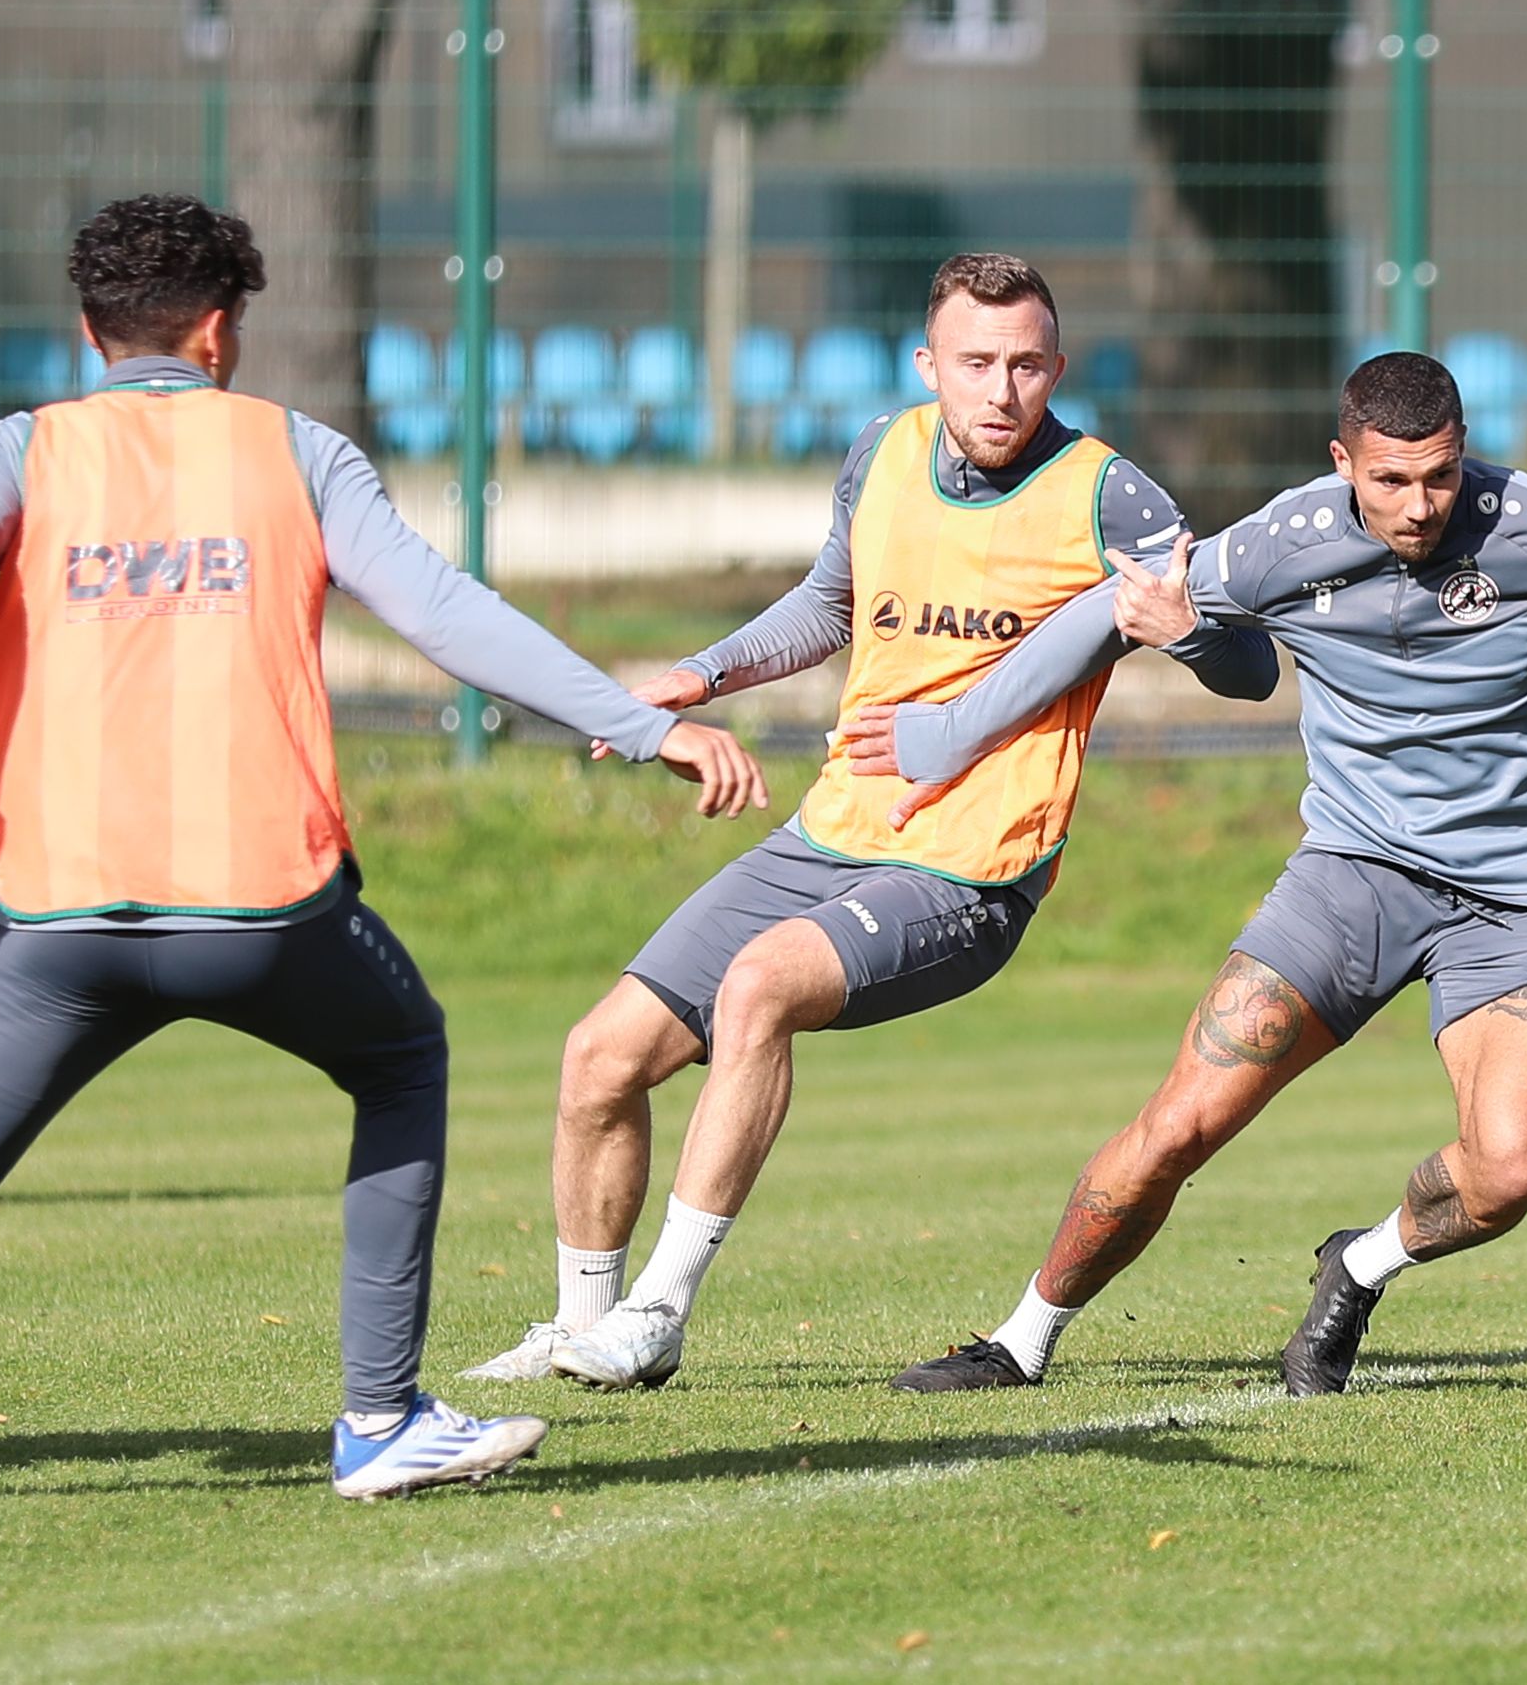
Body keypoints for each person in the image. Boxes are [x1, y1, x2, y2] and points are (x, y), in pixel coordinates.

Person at [0, 193, 766, 1516]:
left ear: (87, 328)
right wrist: (639, 727)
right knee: (400, 1058)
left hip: (56, 916)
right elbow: (444, 614)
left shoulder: (22, 450)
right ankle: (378, 1416)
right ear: (222, 330)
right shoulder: (297, 455)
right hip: (261, 909)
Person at [856, 350, 1527, 1396]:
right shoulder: (1283, 543)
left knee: (1514, 1164)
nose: (1419, 505)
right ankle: (1020, 1339)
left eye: (1440, 475)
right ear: (1341, 460)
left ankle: (1360, 1264)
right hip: (1353, 874)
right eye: (1390, 479)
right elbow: (1113, 609)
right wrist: (952, 730)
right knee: (1183, 1120)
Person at [460, 253, 1278, 1391]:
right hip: (834, 828)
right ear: (927, 363)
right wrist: (700, 676)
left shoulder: (1109, 494)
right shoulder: (882, 453)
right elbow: (832, 604)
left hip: (972, 869)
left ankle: (658, 1312)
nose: (1002, 390)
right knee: (598, 1057)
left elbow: (1248, 666)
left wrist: (1186, 627)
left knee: (758, 984)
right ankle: (581, 1326)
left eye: (1027, 364)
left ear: (1059, 366)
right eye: (977, 362)